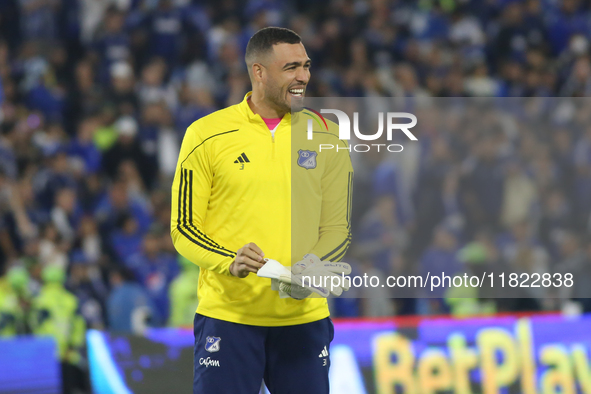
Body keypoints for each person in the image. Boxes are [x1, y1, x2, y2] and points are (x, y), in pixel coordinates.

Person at [170, 27, 353, 394]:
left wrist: (314, 264)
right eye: (291, 68)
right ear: (258, 72)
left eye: (306, 66)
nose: (303, 76)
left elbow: (338, 227)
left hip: (304, 319)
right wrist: (229, 260)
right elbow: (184, 227)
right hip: (229, 318)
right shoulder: (205, 135)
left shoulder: (328, 135)